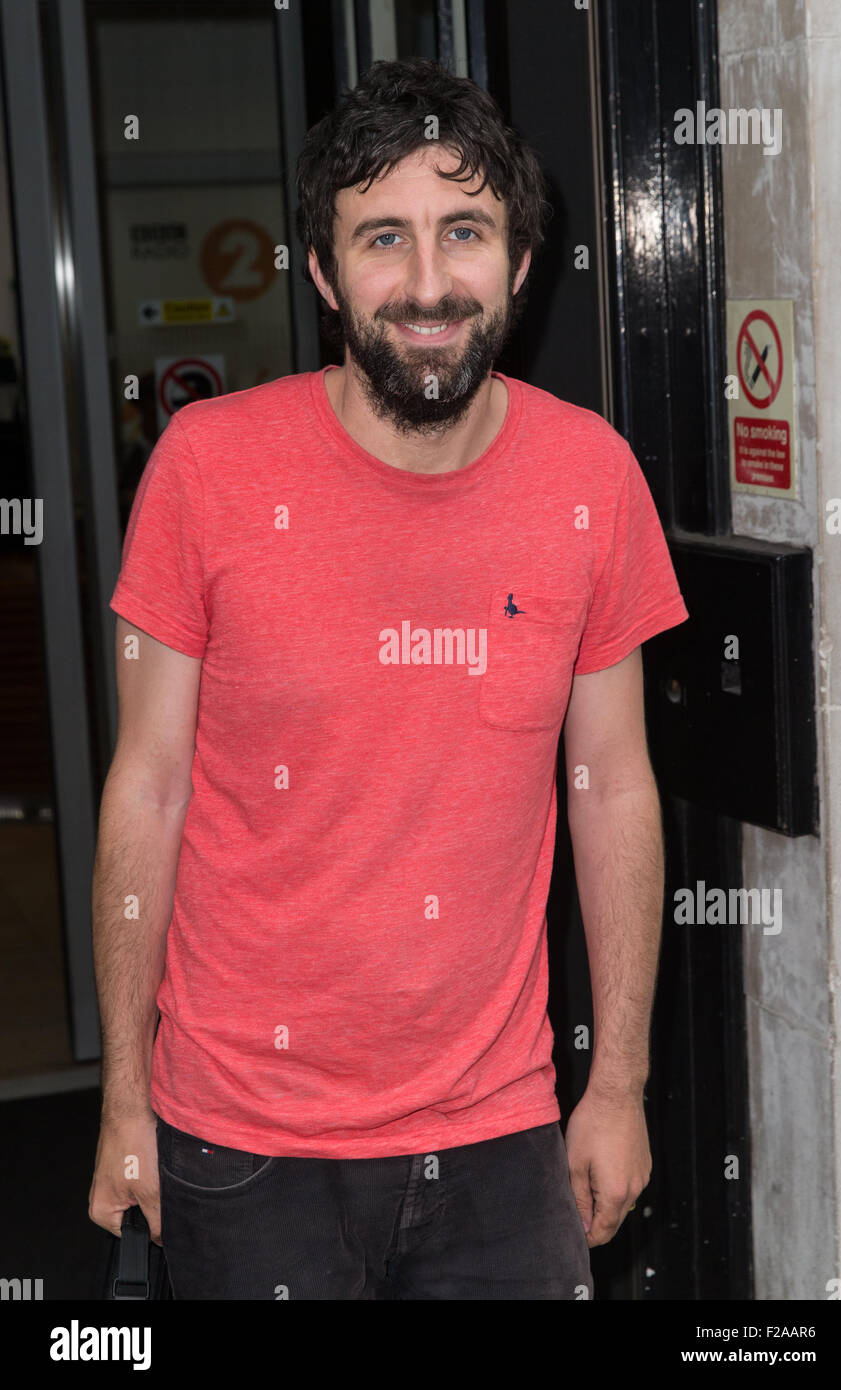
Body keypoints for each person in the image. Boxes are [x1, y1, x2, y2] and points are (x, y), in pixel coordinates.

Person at [89, 57, 688, 1301]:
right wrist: (123, 1100)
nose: (426, 284)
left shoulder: (592, 478)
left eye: (462, 232)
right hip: (241, 1139)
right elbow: (145, 791)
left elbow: (613, 786)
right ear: (320, 273)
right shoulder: (205, 472)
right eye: (381, 239)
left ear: (519, 263)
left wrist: (615, 1083)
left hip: (496, 1134)